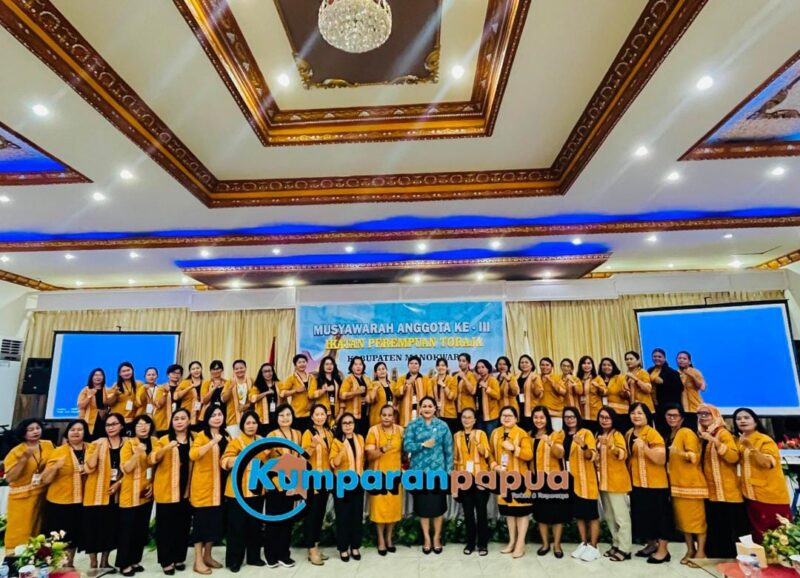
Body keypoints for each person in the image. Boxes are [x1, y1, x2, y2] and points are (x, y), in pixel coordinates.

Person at [732, 407, 792, 543]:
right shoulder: (738, 441)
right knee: (757, 536)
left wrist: (751, 447)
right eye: (738, 419)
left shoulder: (764, 440)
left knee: (778, 537)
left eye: (746, 418)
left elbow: (767, 463)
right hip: (749, 494)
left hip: (769, 495)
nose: (742, 421)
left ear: (755, 421)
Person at [402, 396, 453, 554]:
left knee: (438, 508)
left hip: (438, 473)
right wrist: (422, 445)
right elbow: (407, 446)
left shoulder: (442, 426)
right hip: (419, 472)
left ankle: (436, 538)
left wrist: (448, 473)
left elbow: (449, 451)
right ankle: (426, 538)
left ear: (435, 408)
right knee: (422, 508)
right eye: (424, 406)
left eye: (430, 406)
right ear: (420, 408)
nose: (427, 409)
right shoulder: (413, 425)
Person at [697, 403, 749, 558]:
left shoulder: (722, 433)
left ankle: (739, 559)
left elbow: (733, 457)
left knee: (732, 527)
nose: (703, 417)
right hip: (713, 492)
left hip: (728, 491)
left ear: (715, 415)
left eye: (707, 414)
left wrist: (715, 441)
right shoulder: (703, 435)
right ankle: (719, 557)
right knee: (717, 526)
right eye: (700, 414)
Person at [626, 402, 671, 564]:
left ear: (647, 416)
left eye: (640, 413)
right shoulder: (629, 433)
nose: (636, 416)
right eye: (633, 413)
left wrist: (644, 447)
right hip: (637, 483)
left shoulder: (652, 434)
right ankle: (651, 545)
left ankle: (663, 550)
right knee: (644, 517)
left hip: (655, 484)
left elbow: (661, 459)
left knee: (660, 518)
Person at [3, 418, 55, 558]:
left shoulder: (48, 445)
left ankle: (36, 559)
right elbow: (10, 478)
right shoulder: (17, 451)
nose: (35, 432)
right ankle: (14, 560)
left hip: (42, 494)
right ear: (23, 433)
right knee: (20, 530)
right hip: (21, 498)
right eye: (30, 430)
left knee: (38, 530)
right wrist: (23, 459)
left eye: (37, 428)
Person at [222, 411, 266, 572]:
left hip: (256, 491)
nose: (251, 426)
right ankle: (234, 560)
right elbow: (224, 462)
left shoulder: (262, 441)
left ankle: (254, 557)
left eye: (254, 423)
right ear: (242, 426)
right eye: (248, 423)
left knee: (255, 526)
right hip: (237, 491)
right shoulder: (235, 442)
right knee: (237, 527)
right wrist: (240, 457)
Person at [150, 409, 193, 574]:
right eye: (176, 419)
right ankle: (166, 561)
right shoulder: (163, 440)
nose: (179, 421)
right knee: (165, 528)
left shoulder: (194, 438)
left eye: (183, 418)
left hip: (186, 490)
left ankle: (179, 557)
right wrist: (168, 447)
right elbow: (153, 459)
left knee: (183, 526)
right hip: (166, 490)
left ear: (189, 421)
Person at [664, 404, 708, 566]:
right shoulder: (671, 434)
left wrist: (679, 453)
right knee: (683, 521)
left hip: (691, 485)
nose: (671, 418)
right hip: (677, 485)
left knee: (697, 521)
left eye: (675, 415)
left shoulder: (686, 432)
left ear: (682, 418)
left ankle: (701, 552)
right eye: (669, 415)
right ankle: (690, 550)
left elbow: (694, 457)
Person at [41, 419, 88, 567]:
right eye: (72, 429)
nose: (76, 432)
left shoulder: (91, 449)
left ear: (85, 432)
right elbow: (45, 479)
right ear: (67, 433)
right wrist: (56, 467)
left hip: (81, 500)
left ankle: (69, 564)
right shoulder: (59, 452)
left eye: (79, 429)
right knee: (57, 537)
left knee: (74, 535)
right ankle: (56, 565)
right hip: (59, 502)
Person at [83, 413, 125, 575]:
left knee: (110, 529)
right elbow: (89, 468)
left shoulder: (128, 443)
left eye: (114, 424)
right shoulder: (96, 443)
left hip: (115, 493)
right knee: (92, 529)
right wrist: (98, 449)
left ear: (121, 426)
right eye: (108, 425)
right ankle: (93, 563)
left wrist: (118, 484)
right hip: (95, 493)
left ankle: (105, 562)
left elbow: (130, 469)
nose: (111, 427)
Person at [189, 405, 228, 574]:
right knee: (200, 526)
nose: (217, 418)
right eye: (213, 415)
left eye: (220, 414)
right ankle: (198, 561)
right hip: (203, 487)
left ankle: (208, 556)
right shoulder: (201, 435)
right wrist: (212, 442)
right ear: (207, 418)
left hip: (219, 487)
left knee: (214, 524)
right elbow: (193, 455)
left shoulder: (227, 435)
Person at [117, 415, 157, 576]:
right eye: (139, 425)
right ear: (134, 428)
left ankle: (135, 560)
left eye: (146, 424)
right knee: (127, 531)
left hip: (146, 493)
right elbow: (126, 469)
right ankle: (124, 563)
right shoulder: (129, 444)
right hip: (130, 494)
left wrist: (153, 484)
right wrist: (137, 453)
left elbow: (156, 466)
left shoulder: (155, 442)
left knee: (140, 530)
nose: (143, 427)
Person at [492, 405, 534, 558]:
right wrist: (495, 466)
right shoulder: (495, 433)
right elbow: (490, 454)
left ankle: (520, 544)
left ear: (516, 418)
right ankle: (512, 541)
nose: (506, 418)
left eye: (510, 415)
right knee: (509, 511)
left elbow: (528, 455)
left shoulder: (522, 434)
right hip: (503, 479)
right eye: (504, 415)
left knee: (521, 512)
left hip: (520, 479)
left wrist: (514, 448)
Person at [562, 407, 601, 562]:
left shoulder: (586, 433)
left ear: (578, 417)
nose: (569, 419)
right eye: (566, 417)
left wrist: (583, 445)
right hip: (571, 479)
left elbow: (592, 456)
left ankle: (594, 546)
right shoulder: (562, 435)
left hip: (586, 478)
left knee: (591, 514)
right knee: (579, 514)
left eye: (572, 416)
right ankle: (583, 543)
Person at [265, 404, 302, 568]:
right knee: (274, 519)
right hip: (275, 483)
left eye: (288, 414)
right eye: (281, 415)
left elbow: (300, 459)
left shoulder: (298, 434)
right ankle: (271, 555)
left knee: (287, 520)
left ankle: (284, 554)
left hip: (291, 483)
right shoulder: (271, 435)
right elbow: (265, 459)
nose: (285, 418)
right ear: (277, 418)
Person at [529, 405, 568, 558]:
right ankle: (545, 544)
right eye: (536, 417)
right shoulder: (529, 435)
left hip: (554, 480)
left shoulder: (556, 434)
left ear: (547, 419)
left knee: (557, 514)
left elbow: (560, 454)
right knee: (541, 514)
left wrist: (550, 443)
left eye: (542, 417)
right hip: (537, 480)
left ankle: (557, 545)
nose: (538, 420)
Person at [365, 405, 404, 555]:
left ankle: (389, 538)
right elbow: (369, 456)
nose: (387, 418)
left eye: (390, 415)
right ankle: (380, 539)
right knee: (379, 509)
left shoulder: (400, 431)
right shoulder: (373, 431)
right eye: (384, 415)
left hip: (394, 476)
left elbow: (405, 452)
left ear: (394, 417)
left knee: (393, 509)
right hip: (378, 475)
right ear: (380, 416)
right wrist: (381, 449)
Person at [596, 406, 632, 562]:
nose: (604, 420)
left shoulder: (617, 435)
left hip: (617, 482)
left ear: (613, 419)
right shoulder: (598, 435)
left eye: (607, 417)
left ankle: (625, 548)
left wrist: (610, 446)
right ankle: (616, 544)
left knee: (621, 517)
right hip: (603, 482)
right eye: (601, 417)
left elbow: (622, 454)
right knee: (610, 517)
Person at [453, 408, 491, 556]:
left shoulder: (481, 434)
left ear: (475, 420)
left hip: (480, 479)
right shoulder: (457, 436)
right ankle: (470, 543)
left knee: (481, 513)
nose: (467, 420)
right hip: (464, 480)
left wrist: (477, 444)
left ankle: (482, 544)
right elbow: (455, 460)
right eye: (464, 417)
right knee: (468, 513)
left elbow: (486, 454)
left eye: (470, 417)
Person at [301, 404, 334, 566]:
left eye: (322, 414)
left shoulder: (329, 433)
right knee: (312, 515)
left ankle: (316, 545)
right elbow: (303, 457)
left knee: (320, 513)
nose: (320, 417)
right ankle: (311, 549)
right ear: (312, 417)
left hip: (326, 479)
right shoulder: (308, 433)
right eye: (317, 414)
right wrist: (313, 445)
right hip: (312, 479)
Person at [330, 413, 366, 561]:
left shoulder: (360, 439)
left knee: (357, 516)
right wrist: (342, 452)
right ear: (340, 426)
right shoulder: (336, 442)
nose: (348, 425)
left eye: (350, 422)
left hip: (358, 482)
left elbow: (363, 459)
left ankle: (355, 546)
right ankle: (343, 548)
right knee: (343, 517)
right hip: (342, 484)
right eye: (344, 423)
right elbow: (334, 463)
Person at [648, 348, 682, 437]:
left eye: (659, 357)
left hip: (668, 406)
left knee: (668, 430)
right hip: (654, 406)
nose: (657, 358)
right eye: (655, 356)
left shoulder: (672, 372)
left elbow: (679, 389)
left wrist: (663, 383)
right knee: (658, 430)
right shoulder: (649, 371)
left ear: (664, 358)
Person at [393, 356, 432, 427]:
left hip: (421, 414)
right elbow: (397, 394)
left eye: (416, 363)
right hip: (406, 415)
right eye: (411, 363)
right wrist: (406, 384)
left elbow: (430, 397)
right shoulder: (402, 379)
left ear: (419, 366)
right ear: (408, 365)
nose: (413, 365)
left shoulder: (426, 380)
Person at [279, 354, 313, 432]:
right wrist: (295, 391)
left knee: (308, 435)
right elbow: (282, 393)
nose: (302, 364)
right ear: (295, 365)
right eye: (299, 362)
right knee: (297, 435)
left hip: (309, 413)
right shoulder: (291, 378)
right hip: (297, 413)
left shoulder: (311, 377)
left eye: (304, 362)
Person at [340, 356, 371, 436]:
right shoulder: (348, 379)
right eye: (356, 364)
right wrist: (356, 392)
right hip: (353, 416)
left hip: (366, 415)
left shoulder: (367, 379)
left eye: (360, 364)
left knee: (364, 437)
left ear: (363, 366)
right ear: (351, 367)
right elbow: (342, 395)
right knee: (355, 437)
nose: (358, 366)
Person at [531, 357, 566, 430]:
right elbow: (536, 394)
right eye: (542, 365)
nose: (545, 367)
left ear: (552, 367)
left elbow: (563, 392)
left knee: (556, 434)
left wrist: (551, 381)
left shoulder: (557, 377)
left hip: (555, 413)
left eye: (547, 365)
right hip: (541, 414)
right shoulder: (536, 377)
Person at [222, 359, 252, 436]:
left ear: (245, 368)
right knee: (233, 441)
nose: (239, 370)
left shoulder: (251, 381)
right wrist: (231, 387)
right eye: (236, 369)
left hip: (248, 418)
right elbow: (223, 399)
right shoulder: (229, 381)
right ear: (234, 370)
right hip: (233, 419)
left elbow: (255, 399)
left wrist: (247, 406)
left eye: (241, 368)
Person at [677, 351, 705, 431]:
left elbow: (702, 388)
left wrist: (692, 375)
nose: (681, 360)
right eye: (679, 358)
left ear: (689, 361)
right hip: (682, 409)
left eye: (684, 358)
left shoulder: (695, 371)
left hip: (695, 407)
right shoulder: (675, 373)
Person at [106, 361, 141, 427]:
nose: (126, 373)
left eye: (128, 370)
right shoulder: (116, 386)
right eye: (123, 371)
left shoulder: (139, 384)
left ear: (132, 371)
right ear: (119, 374)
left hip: (132, 420)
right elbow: (109, 403)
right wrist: (115, 394)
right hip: (117, 420)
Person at [152, 365, 184, 437]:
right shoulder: (162, 388)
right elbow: (158, 405)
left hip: (178, 422)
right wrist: (165, 393)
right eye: (173, 373)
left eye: (178, 373)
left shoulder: (182, 388)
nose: (176, 375)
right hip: (163, 423)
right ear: (168, 374)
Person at [577, 356, 606, 433]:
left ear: (592, 365)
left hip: (594, 412)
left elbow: (605, 392)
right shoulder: (578, 379)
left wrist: (598, 386)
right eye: (584, 363)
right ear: (580, 365)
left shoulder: (597, 378)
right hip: (581, 413)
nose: (586, 365)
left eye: (589, 363)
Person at [77, 368, 107, 440]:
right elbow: (80, 406)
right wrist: (89, 396)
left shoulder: (107, 390)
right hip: (89, 421)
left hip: (103, 420)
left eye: (100, 375)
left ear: (103, 377)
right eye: (96, 375)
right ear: (91, 377)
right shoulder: (86, 390)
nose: (98, 377)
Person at [309, 355, 341, 422]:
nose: (329, 366)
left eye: (331, 364)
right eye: (327, 364)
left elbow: (341, 396)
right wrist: (324, 390)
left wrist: (341, 412)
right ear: (322, 366)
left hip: (335, 412)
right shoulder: (317, 380)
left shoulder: (337, 380)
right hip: (322, 413)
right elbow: (311, 395)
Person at [250, 362, 280, 434]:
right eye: (265, 372)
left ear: (273, 372)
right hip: (263, 419)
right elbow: (252, 399)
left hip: (277, 417)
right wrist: (266, 393)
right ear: (261, 373)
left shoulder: (278, 384)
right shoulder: (257, 386)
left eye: (269, 371)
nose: (268, 373)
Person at [474, 359, 501, 437]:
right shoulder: (479, 381)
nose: (480, 369)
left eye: (483, 367)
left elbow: (497, 396)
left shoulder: (493, 380)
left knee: (491, 437)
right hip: (480, 415)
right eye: (478, 368)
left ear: (488, 368)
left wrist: (486, 387)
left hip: (491, 415)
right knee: (482, 437)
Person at [601, 358, 629, 430]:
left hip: (621, 413)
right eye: (604, 365)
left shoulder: (620, 378)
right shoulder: (599, 379)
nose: (606, 367)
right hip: (606, 413)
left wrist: (624, 393)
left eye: (609, 365)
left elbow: (628, 394)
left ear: (613, 367)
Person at [432, 357, 458, 434]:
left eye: (443, 365)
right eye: (439, 365)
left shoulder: (452, 379)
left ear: (446, 367)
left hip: (449, 414)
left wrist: (444, 386)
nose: (441, 367)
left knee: (449, 437)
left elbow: (452, 397)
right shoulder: (433, 380)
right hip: (437, 415)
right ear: (436, 367)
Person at [366, 362, 395, 427]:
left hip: (390, 417)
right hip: (377, 417)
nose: (382, 371)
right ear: (376, 373)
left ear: (386, 370)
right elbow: (371, 399)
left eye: (383, 369)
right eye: (379, 369)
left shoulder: (392, 384)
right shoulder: (372, 384)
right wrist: (375, 389)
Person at [176, 360, 202, 427]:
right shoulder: (185, 382)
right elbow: (176, 396)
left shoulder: (205, 383)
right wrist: (189, 388)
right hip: (186, 415)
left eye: (198, 368)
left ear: (201, 369)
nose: (196, 370)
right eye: (193, 369)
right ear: (190, 371)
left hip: (200, 416)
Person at [454, 353, 478, 417]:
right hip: (458, 408)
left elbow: (472, 391)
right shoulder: (456, 376)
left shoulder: (471, 375)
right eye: (459, 361)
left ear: (468, 363)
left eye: (463, 361)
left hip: (468, 408)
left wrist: (464, 378)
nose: (461, 363)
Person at [516, 354, 536, 418]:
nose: (524, 364)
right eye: (522, 362)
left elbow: (539, 393)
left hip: (530, 406)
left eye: (526, 362)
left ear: (531, 365)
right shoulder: (516, 376)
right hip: (519, 405)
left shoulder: (535, 376)